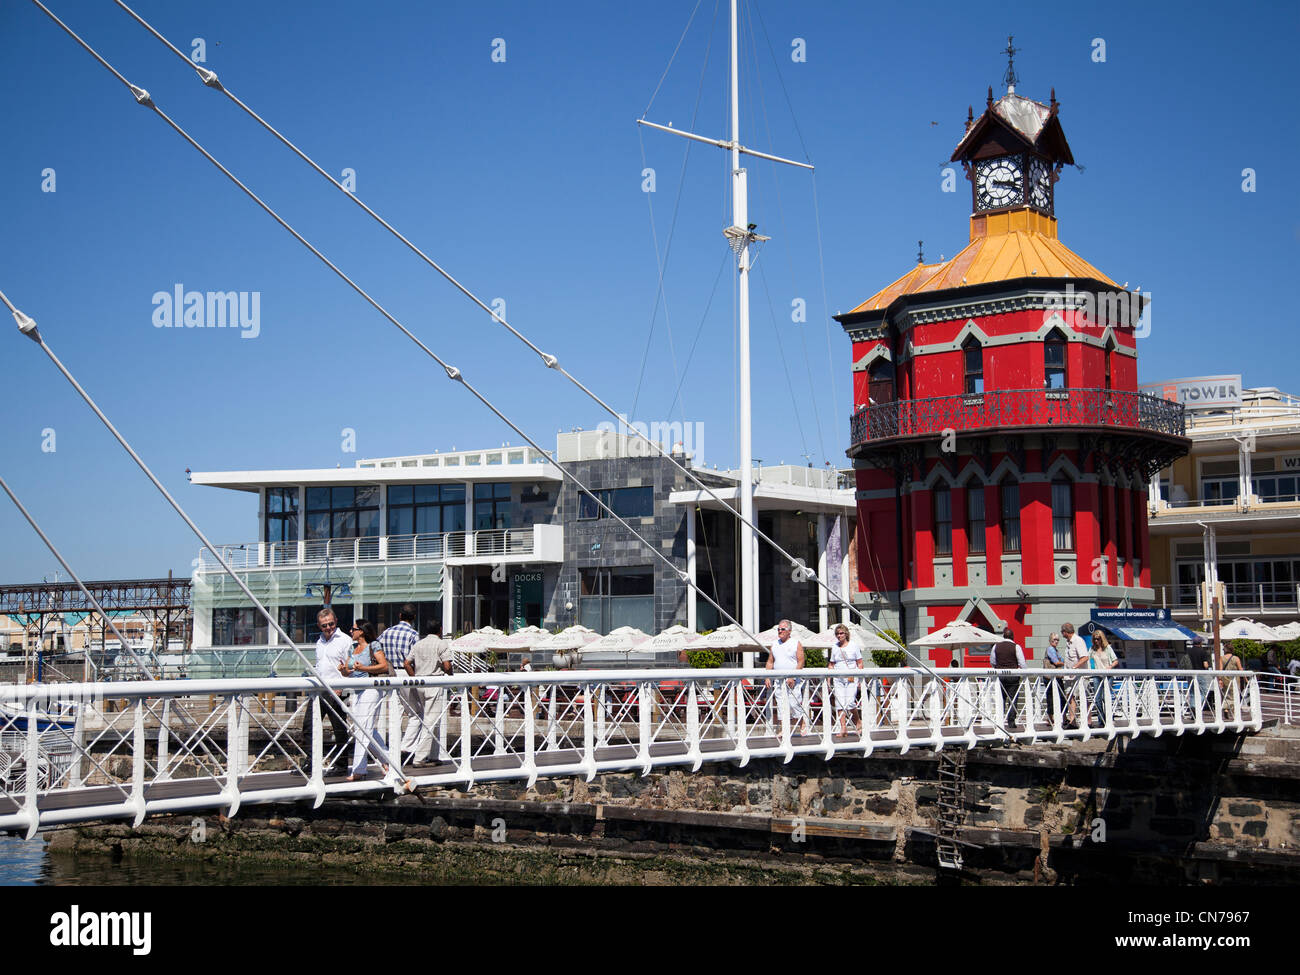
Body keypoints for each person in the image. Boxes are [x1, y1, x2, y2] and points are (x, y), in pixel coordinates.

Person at [303, 607, 353, 768]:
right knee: (309, 726)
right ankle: (312, 762)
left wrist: (343, 688)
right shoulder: (320, 641)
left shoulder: (345, 640)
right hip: (319, 689)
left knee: (339, 728)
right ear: (319, 626)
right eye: (324, 625)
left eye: (331, 624)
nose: (328, 628)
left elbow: (350, 667)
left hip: (337, 689)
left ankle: (341, 764)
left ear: (336, 622)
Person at [340, 619, 390, 781]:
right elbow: (348, 671)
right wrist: (343, 670)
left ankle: (359, 770)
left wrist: (364, 668)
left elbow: (383, 666)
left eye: (353, 629)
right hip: (357, 691)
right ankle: (389, 761)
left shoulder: (374, 646)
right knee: (364, 728)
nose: (350, 631)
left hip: (371, 689)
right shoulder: (353, 649)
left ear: (361, 631)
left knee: (364, 727)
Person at [402, 620, 453, 765]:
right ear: (440, 629)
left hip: (420, 684)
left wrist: (414, 678)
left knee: (433, 719)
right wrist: (450, 675)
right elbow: (447, 665)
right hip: (434, 683)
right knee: (431, 721)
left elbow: (406, 663)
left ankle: (433, 755)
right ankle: (419, 757)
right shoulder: (441, 644)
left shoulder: (418, 644)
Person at [376, 605, 419, 761]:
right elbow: (415, 658)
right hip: (405, 672)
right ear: (414, 617)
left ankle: (393, 746)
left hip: (390, 672)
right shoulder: (413, 634)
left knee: (397, 712)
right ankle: (405, 747)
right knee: (416, 713)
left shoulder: (386, 632)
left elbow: (376, 647)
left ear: (399, 615)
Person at [765, 619, 807, 735]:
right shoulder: (774, 644)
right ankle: (784, 729)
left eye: (782, 629)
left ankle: (802, 723)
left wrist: (793, 676)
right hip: (779, 680)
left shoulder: (795, 643)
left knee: (794, 703)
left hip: (792, 679)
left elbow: (801, 661)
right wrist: (768, 676)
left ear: (789, 631)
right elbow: (770, 662)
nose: (780, 631)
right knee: (780, 704)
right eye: (778, 629)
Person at [829, 623, 864, 735]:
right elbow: (831, 664)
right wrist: (828, 678)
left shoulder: (853, 646)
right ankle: (843, 728)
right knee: (839, 703)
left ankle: (857, 721)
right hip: (838, 678)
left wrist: (859, 678)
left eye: (841, 633)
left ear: (846, 634)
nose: (839, 636)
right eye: (837, 634)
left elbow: (860, 663)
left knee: (849, 703)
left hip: (851, 677)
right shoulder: (834, 647)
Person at [990, 626, 1025, 725]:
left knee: (1001, 698)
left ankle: (1000, 720)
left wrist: (998, 667)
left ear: (1003, 636)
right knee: (1012, 698)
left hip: (1000, 675)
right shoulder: (1016, 647)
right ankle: (1011, 721)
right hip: (1013, 676)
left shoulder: (996, 646)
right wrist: (1022, 671)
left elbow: (992, 661)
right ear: (1013, 637)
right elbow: (1022, 663)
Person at [1085, 631, 1118, 726]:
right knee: (1097, 698)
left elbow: (1115, 660)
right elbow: (1087, 658)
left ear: (1101, 639)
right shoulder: (1092, 649)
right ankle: (1101, 720)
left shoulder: (1107, 648)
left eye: (1098, 639)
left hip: (1107, 675)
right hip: (1096, 675)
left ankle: (1109, 718)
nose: (1096, 641)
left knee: (1105, 697)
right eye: (1094, 639)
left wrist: (1110, 667)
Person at [1061, 622, 1090, 727]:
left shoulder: (1078, 641)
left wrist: (1075, 668)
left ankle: (1087, 722)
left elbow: (1085, 657)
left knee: (1082, 697)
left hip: (1079, 676)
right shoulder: (1069, 643)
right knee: (1070, 697)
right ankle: (1072, 721)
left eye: (1062, 632)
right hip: (1069, 676)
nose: (1061, 634)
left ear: (1065, 632)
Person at [1043, 631, 1064, 721]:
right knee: (1054, 696)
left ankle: (1055, 717)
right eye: (1055, 639)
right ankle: (1052, 718)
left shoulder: (1055, 650)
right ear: (1051, 640)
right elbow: (1056, 662)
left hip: (1054, 676)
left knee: (1055, 696)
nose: (1056, 641)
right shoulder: (1051, 649)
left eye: (1058, 640)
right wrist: (1065, 664)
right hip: (1051, 677)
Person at [1187, 636, 1213, 711]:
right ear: (1200, 643)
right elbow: (1205, 665)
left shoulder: (1189, 651)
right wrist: (1208, 666)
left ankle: (1192, 706)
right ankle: (1196, 706)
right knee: (1203, 691)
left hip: (1190, 673)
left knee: (1192, 692)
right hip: (1200, 673)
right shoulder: (1202, 651)